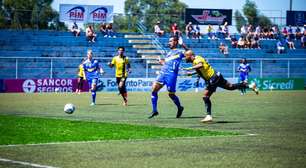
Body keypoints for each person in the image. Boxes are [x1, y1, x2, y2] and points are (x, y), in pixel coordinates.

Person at [183, 50, 259, 123]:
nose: (185, 58)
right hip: (217, 75)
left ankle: (208, 116)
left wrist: (189, 68)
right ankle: (250, 86)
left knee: (205, 96)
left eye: (186, 56)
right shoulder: (197, 58)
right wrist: (191, 73)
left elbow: (200, 65)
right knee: (230, 86)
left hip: (213, 78)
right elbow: (201, 69)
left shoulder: (197, 60)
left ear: (190, 55)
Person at [149, 36, 187, 119]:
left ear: (176, 42)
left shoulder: (180, 52)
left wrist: (183, 45)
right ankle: (154, 110)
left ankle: (180, 107)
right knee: (154, 89)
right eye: (169, 41)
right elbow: (166, 64)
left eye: (171, 41)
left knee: (171, 94)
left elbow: (190, 53)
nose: (169, 43)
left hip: (171, 75)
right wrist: (160, 61)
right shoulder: (169, 53)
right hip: (162, 73)